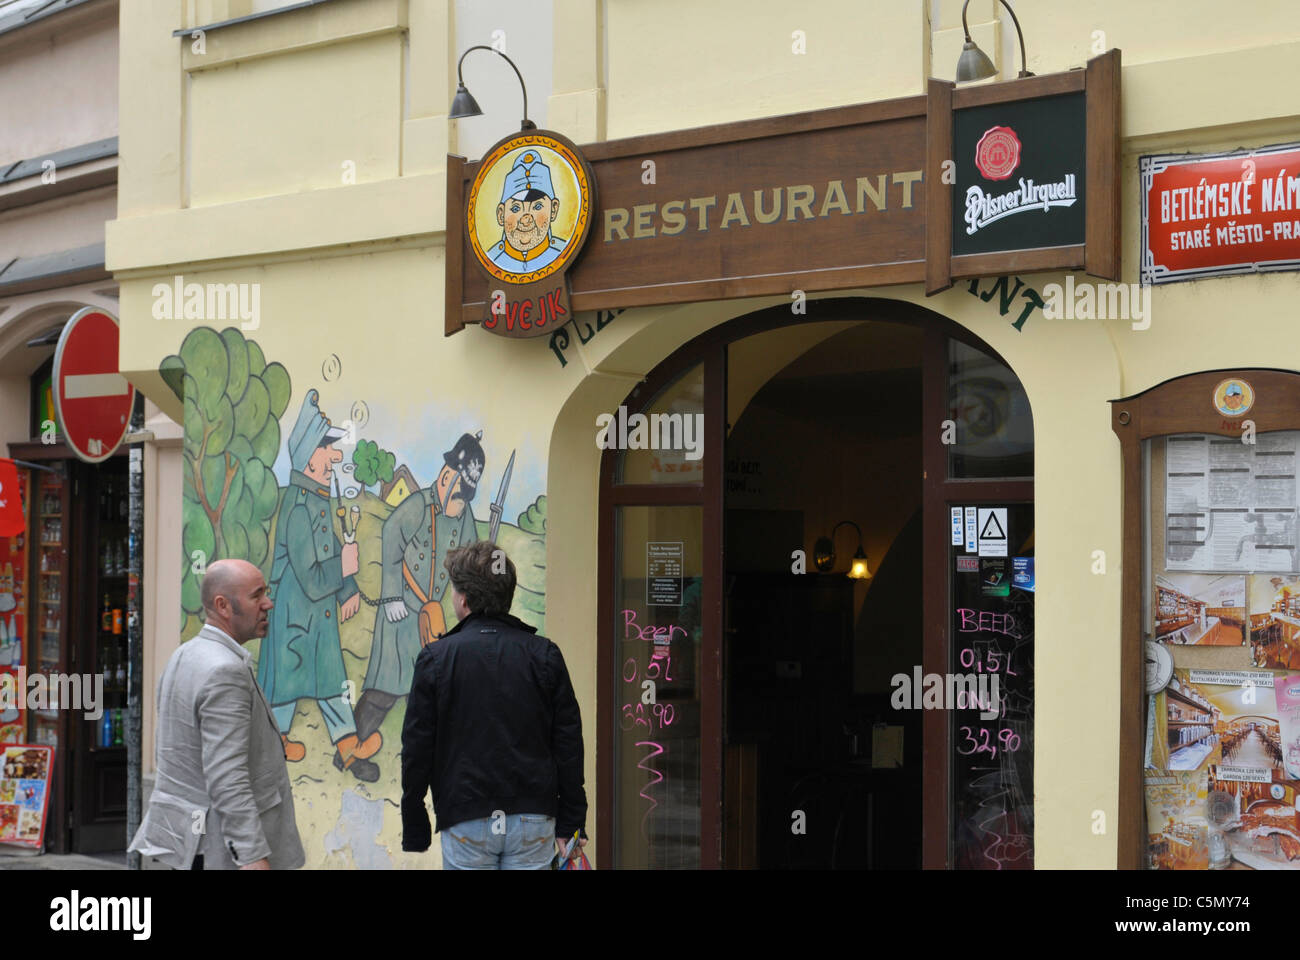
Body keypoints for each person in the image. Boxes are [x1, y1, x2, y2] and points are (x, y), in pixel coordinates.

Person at [400, 542, 587, 869]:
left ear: (463, 599)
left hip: (465, 818)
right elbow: (568, 744)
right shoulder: (545, 655)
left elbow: (417, 749)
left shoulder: (435, 659)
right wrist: (572, 821)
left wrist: (415, 824)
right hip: (533, 819)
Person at [129, 559, 305, 870]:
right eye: (256, 595)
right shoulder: (224, 670)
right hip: (220, 851)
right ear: (223, 606)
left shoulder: (185, 654)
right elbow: (227, 776)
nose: (268, 603)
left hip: (189, 844)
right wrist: (251, 856)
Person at [258, 389, 377, 781]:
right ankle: (274, 743)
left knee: (328, 682)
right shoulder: (297, 506)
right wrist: (342, 568)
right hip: (295, 617)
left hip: (316, 617)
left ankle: (347, 747)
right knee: (286, 688)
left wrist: (348, 587)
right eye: (329, 451)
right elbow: (310, 574)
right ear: (311, 457)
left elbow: (329, 552)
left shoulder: (317, 499)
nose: (336, 458)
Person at [351, 431, 482, 776]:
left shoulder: (463, 514)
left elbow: (469, 556)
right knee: (384, 689)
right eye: (457, 499)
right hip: (400, 614)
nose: (458, 508)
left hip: (431, 618)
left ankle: (427, 761)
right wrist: (392, 594)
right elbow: (391, 536)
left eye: (464, 503)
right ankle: (349, 751)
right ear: (446, 477)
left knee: (425, 691)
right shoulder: (417, 506)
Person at [487, 151, 568, 275]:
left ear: (553, 210)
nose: (526, 219)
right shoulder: (491, 259)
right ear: (501, 214)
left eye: (537, 206)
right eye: (515, 209)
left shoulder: (565, 252)